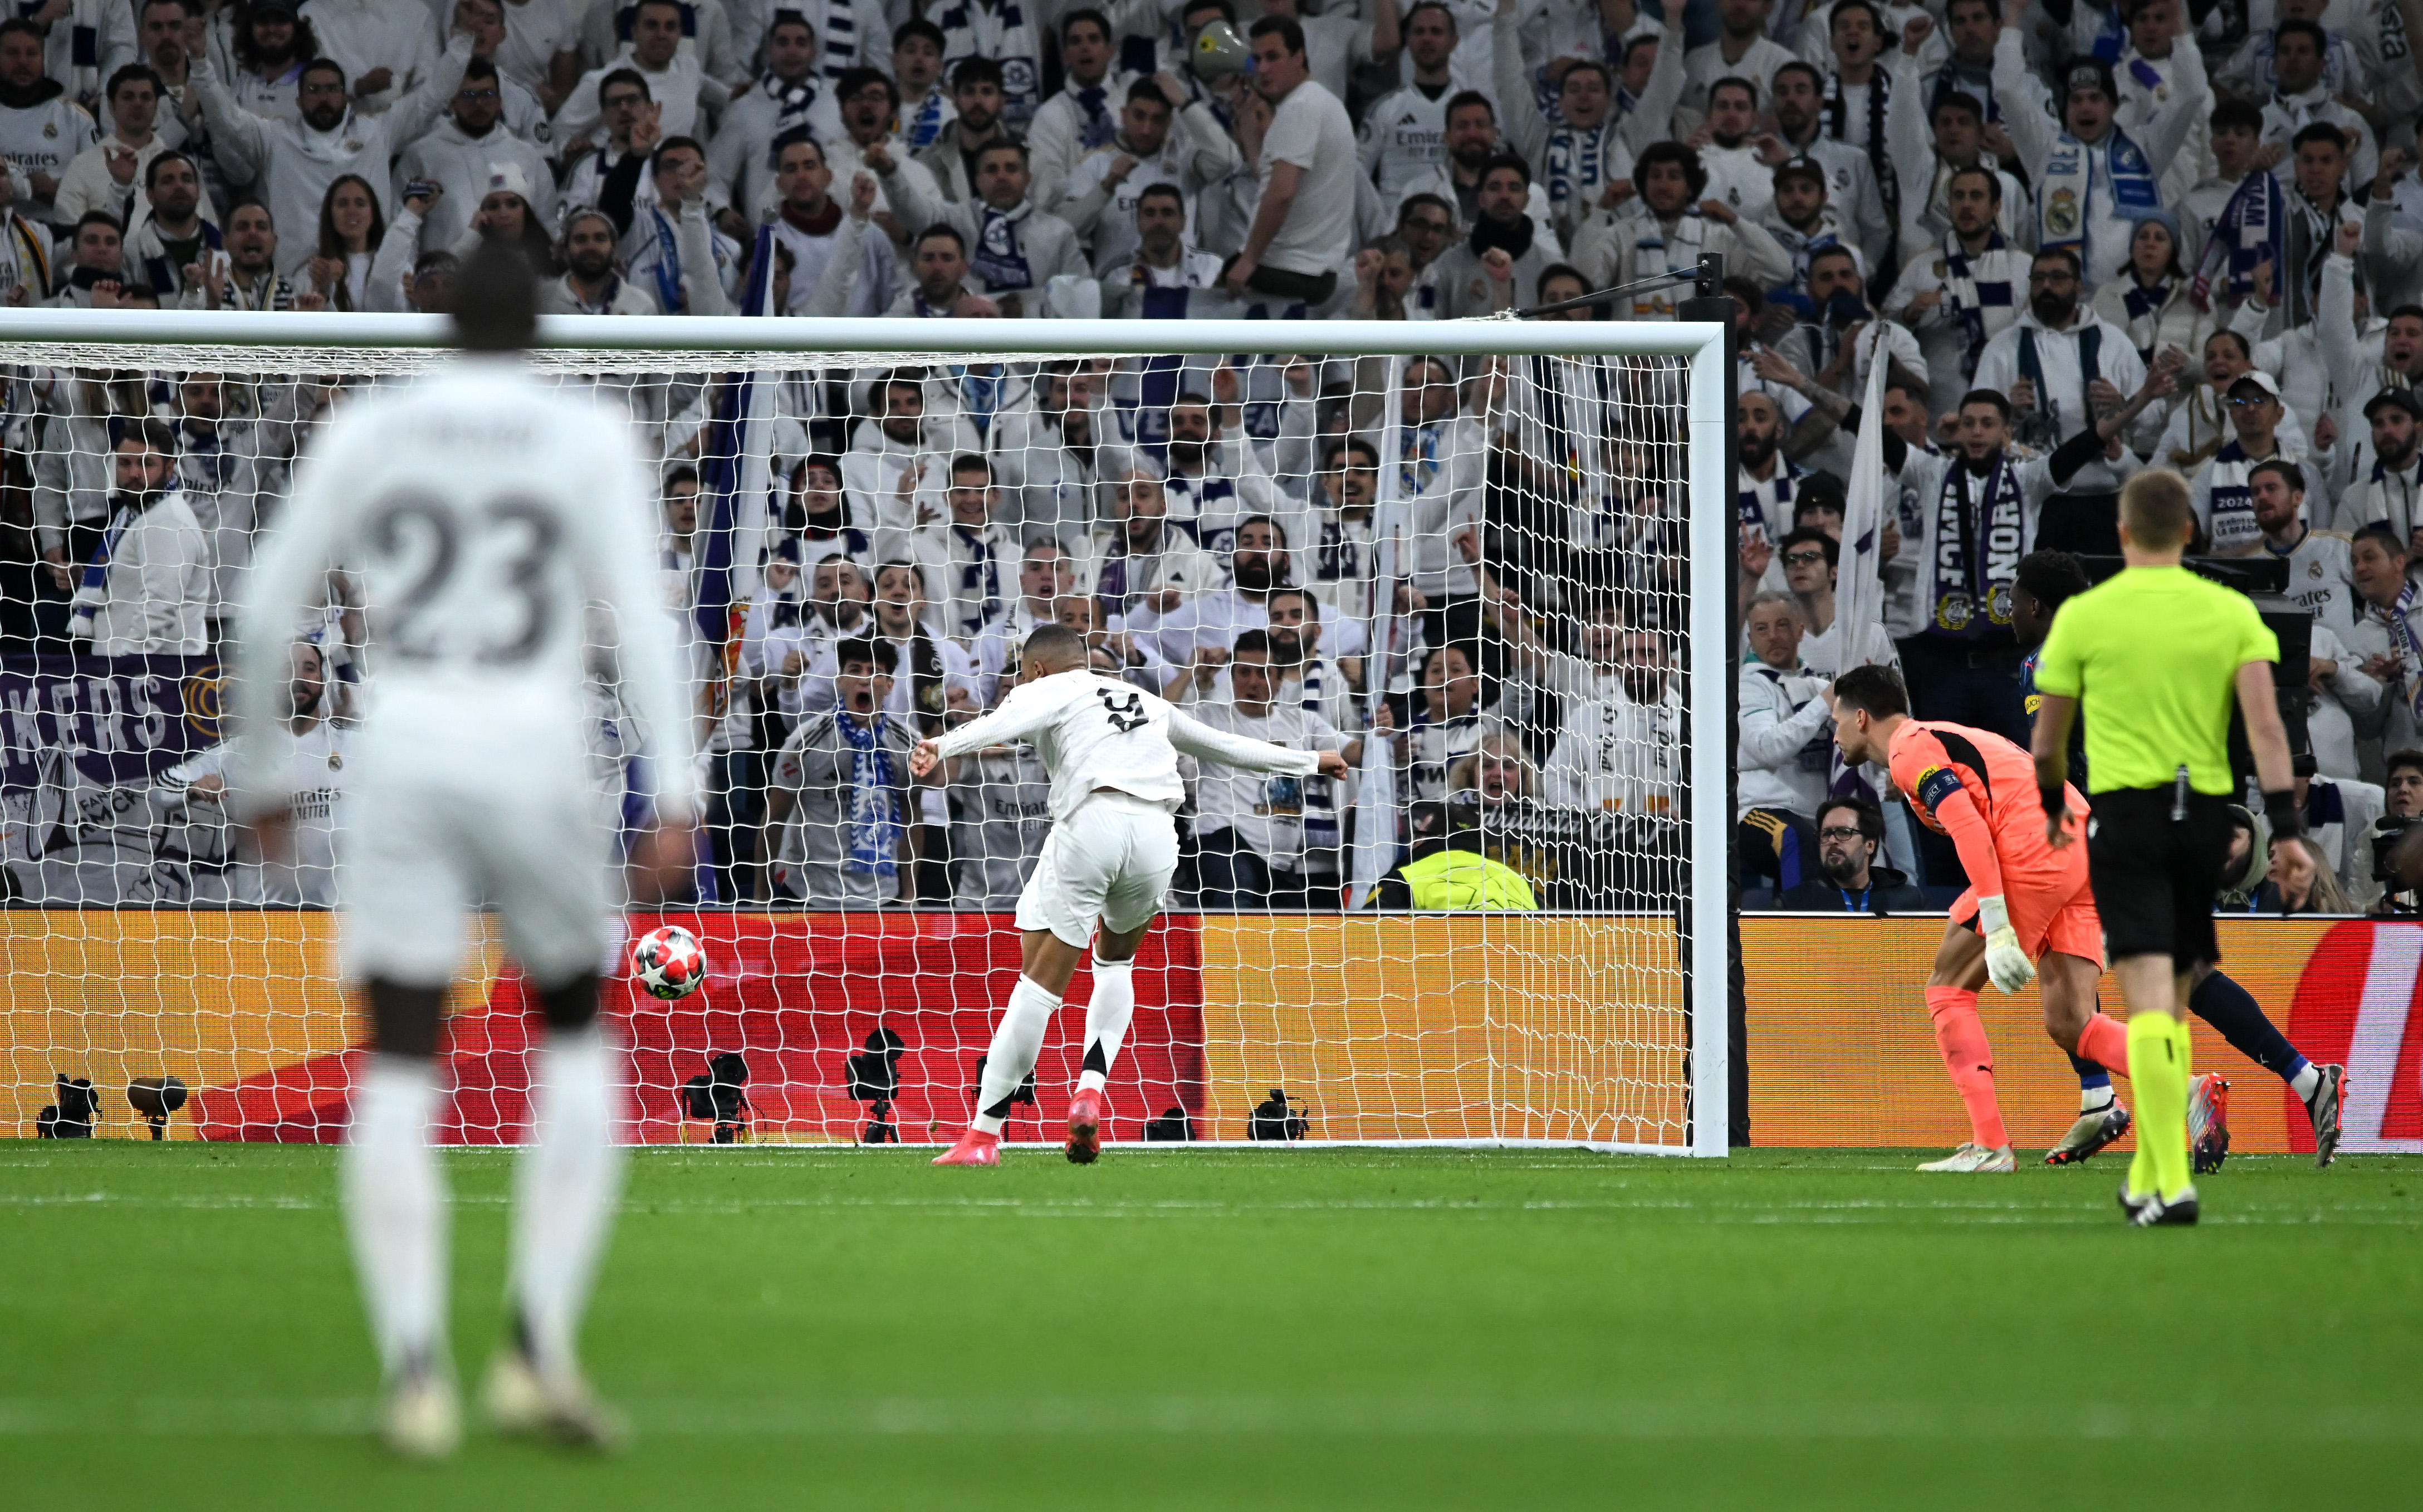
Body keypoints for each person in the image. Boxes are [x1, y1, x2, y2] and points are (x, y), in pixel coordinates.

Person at [224, 243, 698, 1451]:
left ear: (440, 329)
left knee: (397, 1056)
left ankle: (416, 1373)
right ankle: (538, 1346)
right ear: (540, 332)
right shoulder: (585, 432)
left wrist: (268, 770)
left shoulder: (375, 425)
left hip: (404, 752)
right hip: (538, 752)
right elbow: (644, 614)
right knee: (577, 1027)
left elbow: (271, 598)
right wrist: (676, 788)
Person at [912, 622, 1349, 1165]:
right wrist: (1311, 761)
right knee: (1114, 966)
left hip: (1092, 821)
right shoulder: (1143, 698)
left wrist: (940, 744)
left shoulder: (1044, 688)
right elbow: (1224, 747)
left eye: (1023, 672)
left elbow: (1001, 721)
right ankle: (1091, 1088)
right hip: (1156, 838)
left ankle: (981, 1137)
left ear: (1038, 668)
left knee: (1039, 987)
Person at [2029, 468, 2305, 1224]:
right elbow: (2267, 728)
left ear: (2121, 534)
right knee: (2174, 1001)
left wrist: (2053, 806)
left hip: (2124, 817)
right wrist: (2283, 831)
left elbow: (2047, 741)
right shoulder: (2228, 610)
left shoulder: (2084, 616)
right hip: (2205, 822)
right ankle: (2153, 1178)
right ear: (2188, 530)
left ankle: (2168, 1175)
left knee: (2148, 999)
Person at [1831, 663, 2127, 1175]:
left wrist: (1997, 924)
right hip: (2078, 842)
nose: (1833, 733)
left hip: (2034, 847)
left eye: (1835, 720)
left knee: (1946, 990)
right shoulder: (1941, 738)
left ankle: (1990, 1145)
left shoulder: (1908, 748)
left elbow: (1968, 826)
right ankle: (2191, 1088)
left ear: (1860, 718)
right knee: (2070, 1021)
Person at [1189, 628, 1364, 910]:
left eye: (1263, 673)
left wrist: (1386, 737)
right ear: (1232, 678)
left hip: (1280, 862)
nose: (1253, 682)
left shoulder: (1303, 723)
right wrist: (1191, 670)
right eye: (1244, 673)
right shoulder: (1208, 718)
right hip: (1225, 843)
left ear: (1280, 679)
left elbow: (1354, 752)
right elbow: (1160, 719)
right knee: (1237, 917)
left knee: (1290, 945)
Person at [760, 635, 926, 906]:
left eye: (875, 672)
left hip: (881, 896)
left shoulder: (908, 744)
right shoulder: (806, 741)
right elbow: (773, 819)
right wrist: (760, 896)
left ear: (889, 685)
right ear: (840, 681)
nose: (864, 679)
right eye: (855, 670)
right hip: (812, 893)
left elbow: (912, 820)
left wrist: (911, 895)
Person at [1223, 15, 1356, 307]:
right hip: (1318, 270)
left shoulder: (1299, 108)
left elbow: (1282, 194)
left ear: (1299, 57)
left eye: (1273, 57)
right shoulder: (1324, 102)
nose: (1263, 69)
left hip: (1292, 269)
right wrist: (1249, 131)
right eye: (1257, 60)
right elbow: (1272, 178)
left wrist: (1248, 260)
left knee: (1225, 270)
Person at [67, 419, 210, 657]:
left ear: (169, 468)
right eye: (125, 463)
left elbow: (160, 606)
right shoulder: (135, 513)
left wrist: (128, 663)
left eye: (146, 464)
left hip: (152, 679)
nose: (134, 474)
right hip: (135, 675)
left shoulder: (167, 521)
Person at [1777, 795, 1928, 913]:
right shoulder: (1795, 904)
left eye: (1843, 833)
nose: (1831, 840)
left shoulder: (1907, 901)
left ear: (1869, 845)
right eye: (1826, 834)